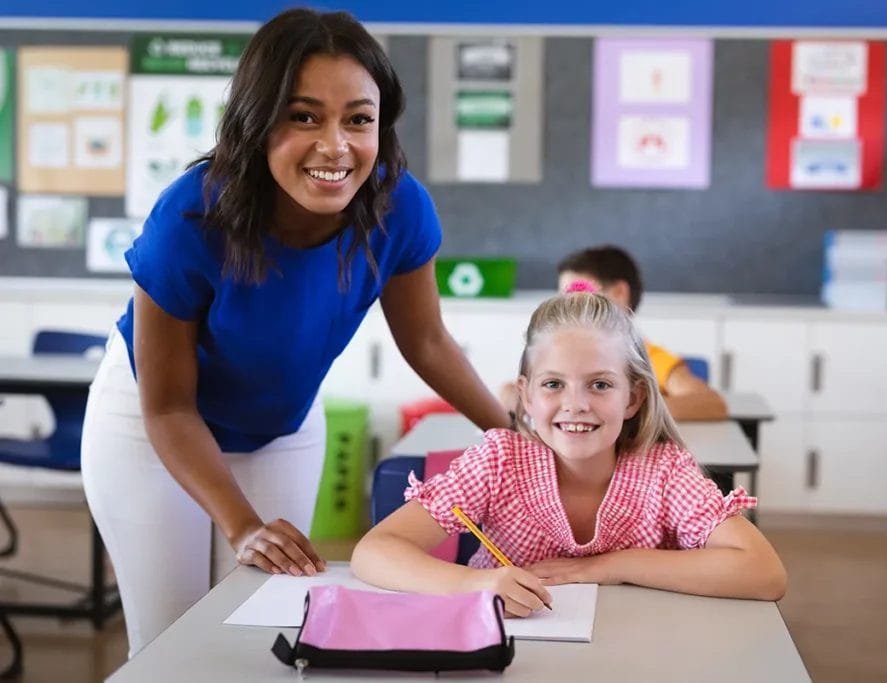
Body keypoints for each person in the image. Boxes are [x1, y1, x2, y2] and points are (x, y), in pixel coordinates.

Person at [80, 8, 509, 656]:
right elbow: (168, 404)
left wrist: (516, 437)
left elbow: (426, 341)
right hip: (150, 424)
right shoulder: (191, 216)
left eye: (357, 119)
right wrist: (242, 523)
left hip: (280, 426)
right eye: (303, 116)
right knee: (172, 641)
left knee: (263, 624)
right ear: (257, 122)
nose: (335, 145)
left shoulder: (399, 206)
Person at [351, 291, 787, 615]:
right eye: (553, 384)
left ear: (633, 398)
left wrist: (611, 566)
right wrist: (474, 582)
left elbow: (765, 573)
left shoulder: (664, 470)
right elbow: (375, 552)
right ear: (526, 395)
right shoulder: (499, 460)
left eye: (599, 385)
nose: (576, 404)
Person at [500, 245, 727, 421]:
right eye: (562, 297)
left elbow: (712, 403)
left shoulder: (646, 357)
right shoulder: (556, 354)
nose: (566, 307)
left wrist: (619, 410)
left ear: (619, 293)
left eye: (578, 294)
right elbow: (510, 392)